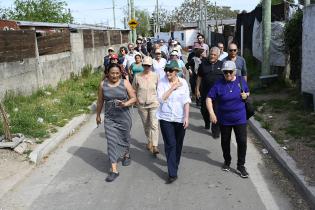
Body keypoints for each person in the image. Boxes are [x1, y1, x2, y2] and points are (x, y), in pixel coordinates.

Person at [206, 60, 250, 178]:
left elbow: (247, 92)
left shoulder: (240, 81)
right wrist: (211, 113)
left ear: (234, 71)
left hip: (240, 118)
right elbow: (209, 98)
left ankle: (241, 166)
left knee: (242, 142)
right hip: (224, 119)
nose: (228, 74)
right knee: (225, 141)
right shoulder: (218, 84)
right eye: (225, 72)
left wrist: (246, 95)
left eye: (230, 72)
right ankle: (227, 161)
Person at [96, 63, 137, 182]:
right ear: (107, 73)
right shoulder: (103, 84)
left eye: (117, 73)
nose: (114, 75)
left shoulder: (125, 82)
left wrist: (125, 104)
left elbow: (134, 98)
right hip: (110, 117)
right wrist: (98, 115)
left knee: (125, 137)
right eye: (112, 73)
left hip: (124, 116)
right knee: (111, 141)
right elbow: (100, 101)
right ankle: (114, 170)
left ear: (120, 73)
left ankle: (126, 154)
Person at [156, 60, 191, 184]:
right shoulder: (161, 82)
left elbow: (186, 101)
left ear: (176, 71)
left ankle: (174, 164)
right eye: (166, 70)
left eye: (170, 70)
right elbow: (160, 99)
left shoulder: (184, 83)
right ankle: (172, 173)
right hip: (166, 118)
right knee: (170, 144)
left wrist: (186, 117)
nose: (168, 72)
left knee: (178, 144)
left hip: (180, 118)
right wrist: (172, 88)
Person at [133, 56, 160, 154]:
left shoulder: (156, 76)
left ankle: (155, 145)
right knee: (146, 125)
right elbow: (133, 89)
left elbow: (159, 89)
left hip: (153, 103)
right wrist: (135, 100)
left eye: (148, 65)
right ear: (142, 65)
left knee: (154, 124)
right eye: (145, 65)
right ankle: (149, 140)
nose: (146, 67)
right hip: (142, 104)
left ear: (151, 66)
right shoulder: (137, 76)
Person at [196, 47, 223, 138]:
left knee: (216, 111)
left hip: (218, 94)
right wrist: (197, 89)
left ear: (218, 56)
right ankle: (207, 122)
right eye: (211, 54)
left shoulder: (222, 64)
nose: (212, 56)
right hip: (205, 92)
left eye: (214, 55)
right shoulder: (203, 64)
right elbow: (199, 77)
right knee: (204, 110)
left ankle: (215, 131)